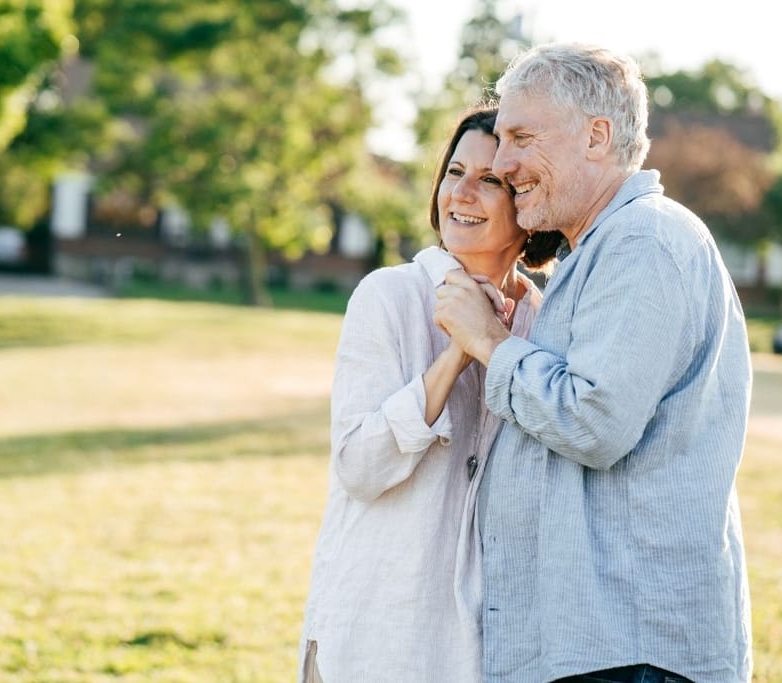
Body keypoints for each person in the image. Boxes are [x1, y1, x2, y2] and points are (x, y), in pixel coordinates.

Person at [433, 43, 753, 683]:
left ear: (597, 137)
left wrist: (488, 344)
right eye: (502, 140)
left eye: (522, 137)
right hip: (606, 648)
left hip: (630, 653)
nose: (503, 162)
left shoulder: (646, 242)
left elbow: (593, 422)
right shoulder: (602, 251)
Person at [298, 105, 562, 682]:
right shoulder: (387, 297)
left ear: (528, 202)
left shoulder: (548, 323)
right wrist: (457, 353)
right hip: (371, 638)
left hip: (480, 653)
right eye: (454, 172)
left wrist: (495, 339)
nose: (461, 194)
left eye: (490, 179)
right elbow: (359, 468)